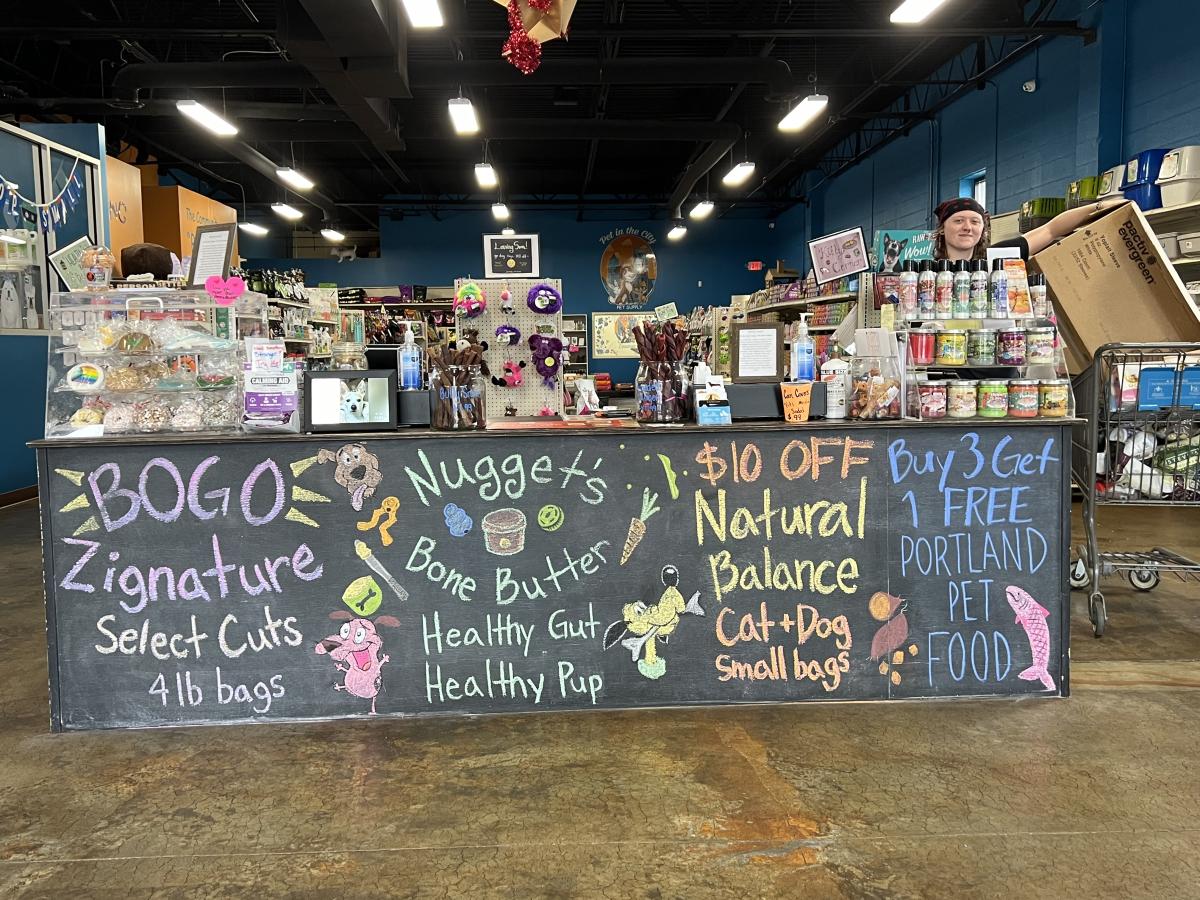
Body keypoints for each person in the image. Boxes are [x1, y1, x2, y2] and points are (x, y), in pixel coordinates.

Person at [933, 196, 1127, 262]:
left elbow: (1051, 230)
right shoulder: (925, 273)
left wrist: (1100, 206)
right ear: (942, 228)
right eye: (958, 221)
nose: (967, 227)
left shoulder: (999, 257)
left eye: (975, 222)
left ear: (983, 229)